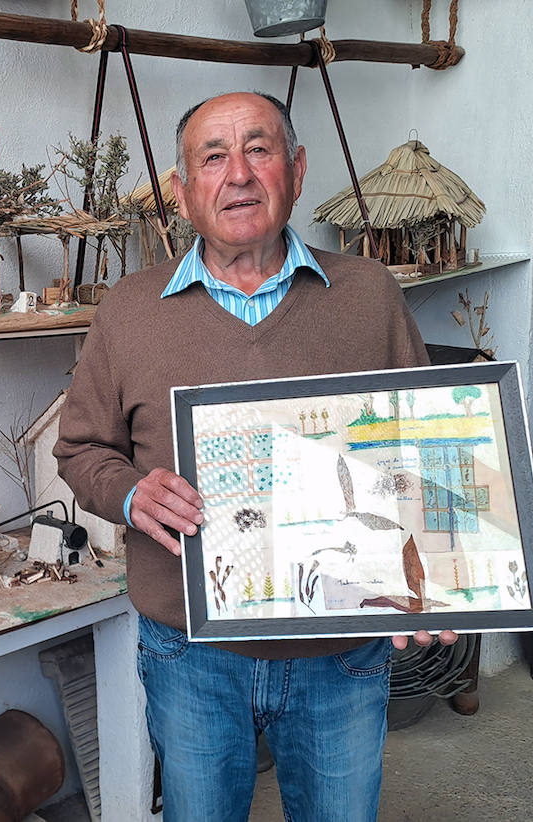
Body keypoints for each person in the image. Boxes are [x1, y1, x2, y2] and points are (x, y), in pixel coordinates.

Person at [54, 91, 456, 822]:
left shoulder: (369, 296)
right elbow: (82, 449)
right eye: (213, 156)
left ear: (296, 169)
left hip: (343, 648)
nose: (237, 174)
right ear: (182, 194)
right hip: (190, 651)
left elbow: (424, 449)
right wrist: (131, 494)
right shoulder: (129, 311)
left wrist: (439, 578)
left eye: (259, 149)